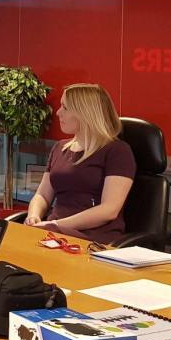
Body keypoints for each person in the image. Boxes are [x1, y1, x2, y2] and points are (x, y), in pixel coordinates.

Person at [24, 84, 135, 244]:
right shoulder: (59, 148)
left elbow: (109, 210)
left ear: (85, 113)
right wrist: (33, 216)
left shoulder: (117, 151)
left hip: (92, 238)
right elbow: (43, 195)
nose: (58, 112)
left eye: (65, 107)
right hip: (53, 233)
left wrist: (55, 225)